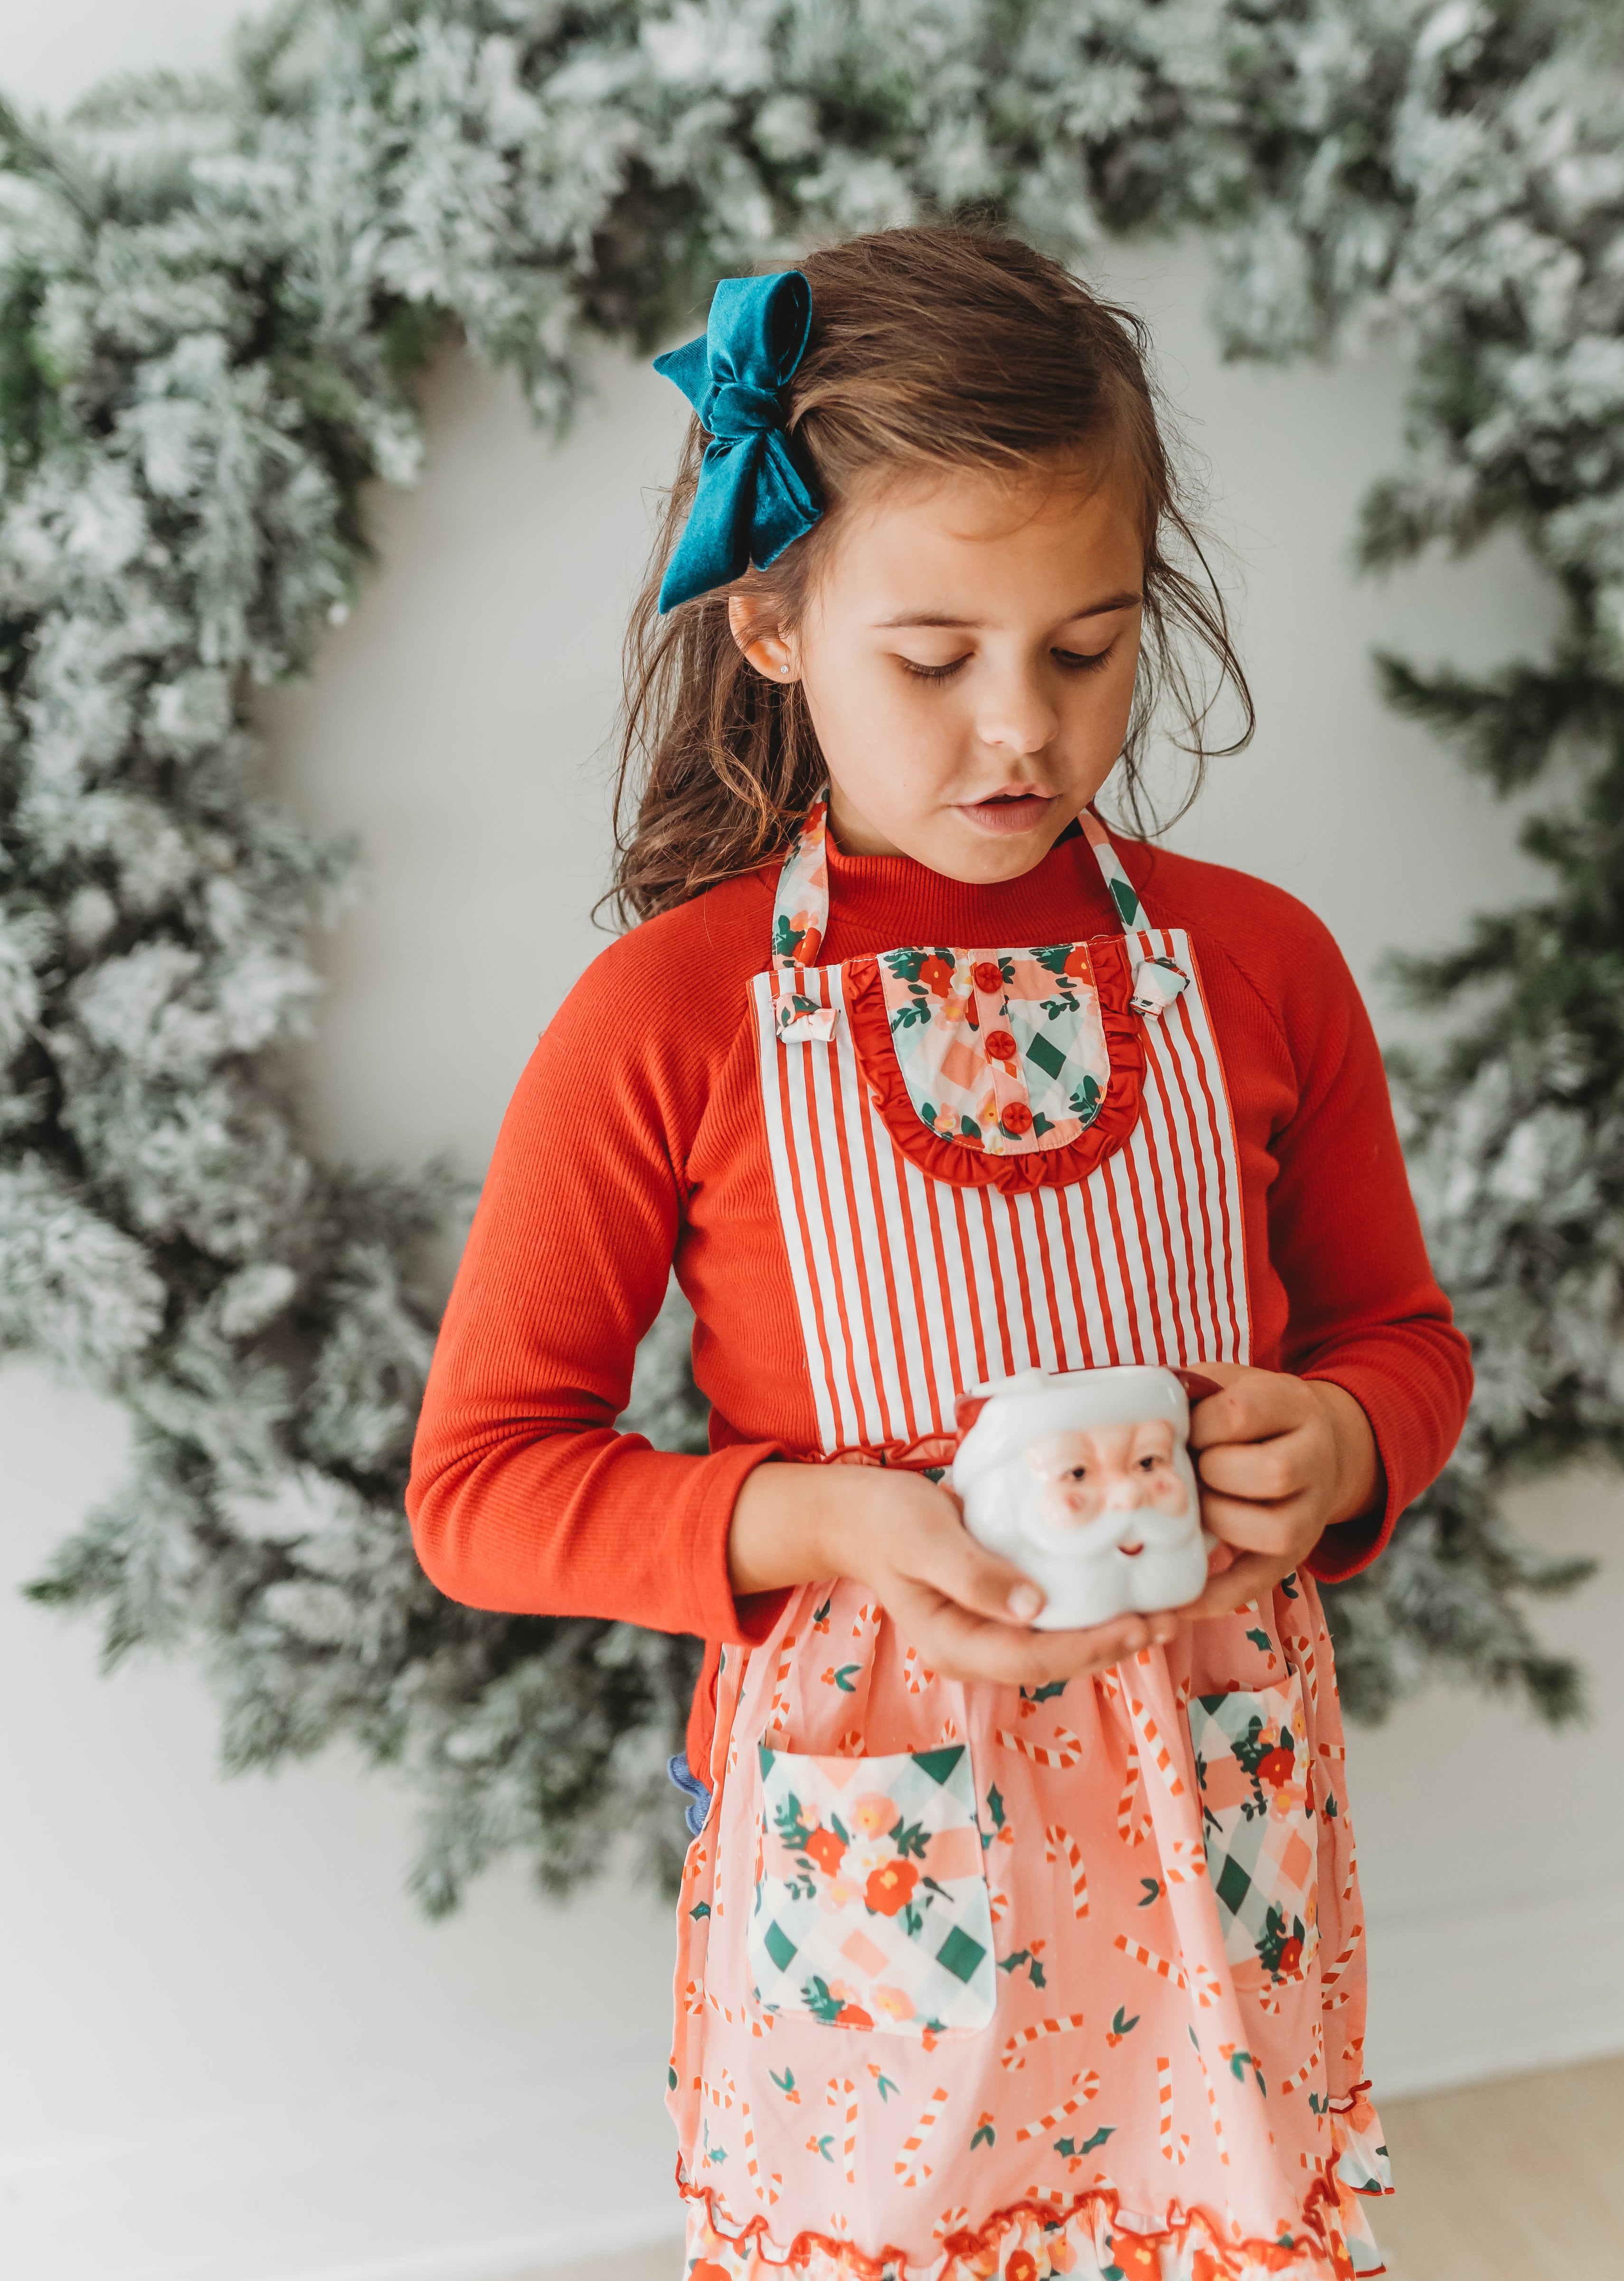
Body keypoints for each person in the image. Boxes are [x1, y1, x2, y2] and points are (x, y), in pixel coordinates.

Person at [406, 226, 1472, 2281]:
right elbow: (480, 1489)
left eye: (1084, 649)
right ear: (777, 622)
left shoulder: (1254, 965)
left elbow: (1399, 1338)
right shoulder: (672, 1013)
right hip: (867, 1858)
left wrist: (1343, 1443)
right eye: (935, 655)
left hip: (1213, 1831)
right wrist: (807, 1519)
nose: (1021, 730)